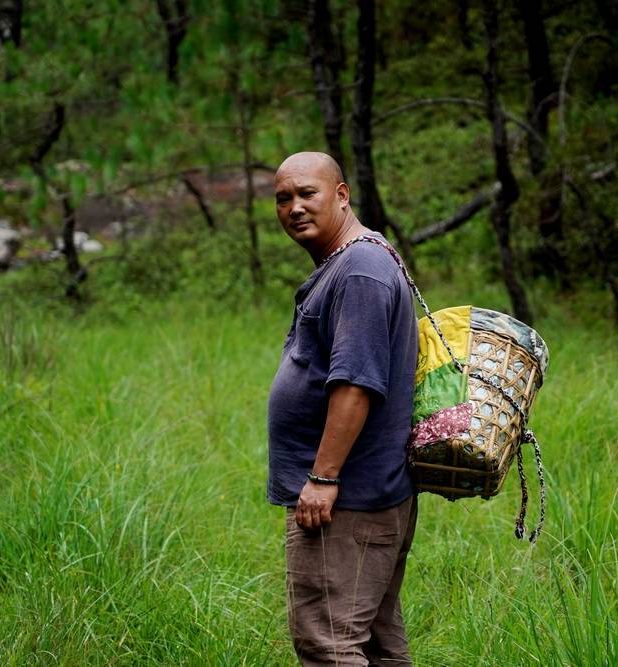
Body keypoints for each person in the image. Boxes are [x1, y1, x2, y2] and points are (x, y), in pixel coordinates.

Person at [267, 151, 419, 665]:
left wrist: (324, 478)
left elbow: (356, 384)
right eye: (283, 198)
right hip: (364, 495)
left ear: (341, 193)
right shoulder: (359, 260)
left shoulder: (360, 269)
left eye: (307, 193)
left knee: (329, 645)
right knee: (376, 645)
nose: (294, 208)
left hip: (348, 500)